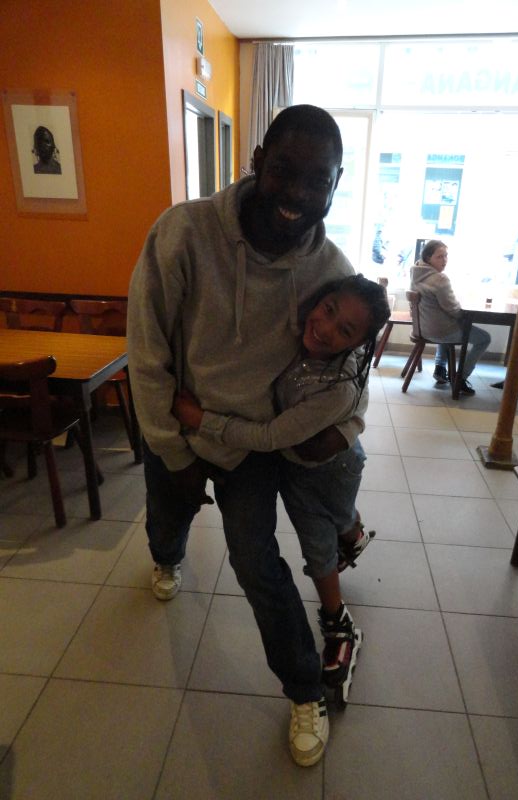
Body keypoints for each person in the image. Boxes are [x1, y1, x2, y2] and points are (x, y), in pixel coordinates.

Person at [127, 105, 363, 768]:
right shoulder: (184, 232)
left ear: (335, 186)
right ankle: (166, 557)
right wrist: (170, 447)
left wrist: (345, 428)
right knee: (166, 519)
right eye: (285, 170)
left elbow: (353, 370)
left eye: (318, 181)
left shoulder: (330, 269)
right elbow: (146, 348)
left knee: (257, 564)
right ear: (258, 161)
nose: (298, 193)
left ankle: (305, 689)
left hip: (253, 445)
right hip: (179, 423)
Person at [171, 274, 390, 702]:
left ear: (357, 344)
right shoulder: (296, 333)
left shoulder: (337, 387)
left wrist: (201, 420)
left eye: (344, 330)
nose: (325, 328)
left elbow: (271, 437)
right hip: (303, 466)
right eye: (328, 310)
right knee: (339, 517)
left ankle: (338, 622)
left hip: (327, 470)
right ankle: (352, 532)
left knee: (317, 544)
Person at [410, 239, 491, 395]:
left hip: (422, 328)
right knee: (484, 338)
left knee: (445, 321)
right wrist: (463, 314)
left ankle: (440, 368)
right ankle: (461, 377)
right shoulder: (440, 279)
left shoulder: (416, 272)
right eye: (439, 256)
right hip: (440, 331)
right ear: (428, 258)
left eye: (446, 256)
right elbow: (454, 310)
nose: (444, 260)